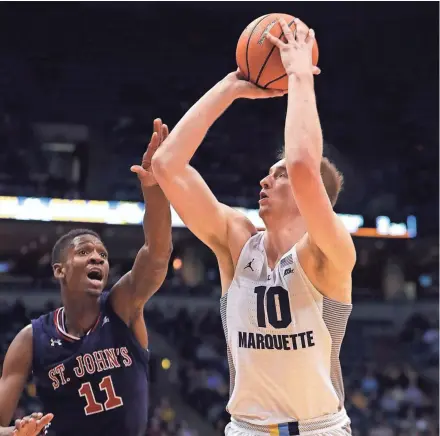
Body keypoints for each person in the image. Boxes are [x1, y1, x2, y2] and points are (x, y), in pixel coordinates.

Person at [152, 18, 355, 436]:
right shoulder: (237, 240)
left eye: (277, 176)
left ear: (309, 195)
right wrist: (231, 87)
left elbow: (302, 166)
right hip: (246, 428)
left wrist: (299, 74)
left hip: (319, 429)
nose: (265, 180)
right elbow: (166, 166)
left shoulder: (328, 253)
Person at [0, 119, 173, 436]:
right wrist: (16, 433)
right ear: (59, 270)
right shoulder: (30, 339)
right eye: (84, 252)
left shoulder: (123, 306)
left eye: (103, 255)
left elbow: (158, 252)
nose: (97, 257)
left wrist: (154, 187)